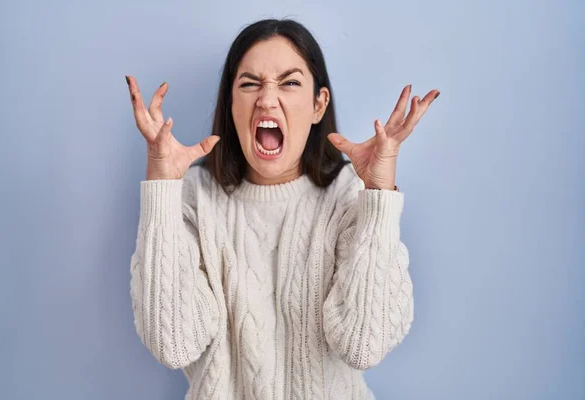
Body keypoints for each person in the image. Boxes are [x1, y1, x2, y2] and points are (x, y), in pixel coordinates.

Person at [127, 18, 439, 400]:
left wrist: (378, 195)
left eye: (289, 82)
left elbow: (363, 346)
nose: (267, 99)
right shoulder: (194, 196)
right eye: (249, 84)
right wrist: (162, 186)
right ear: (232, 104)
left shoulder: (348, 196)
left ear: (317, 104)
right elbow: (173, 343)